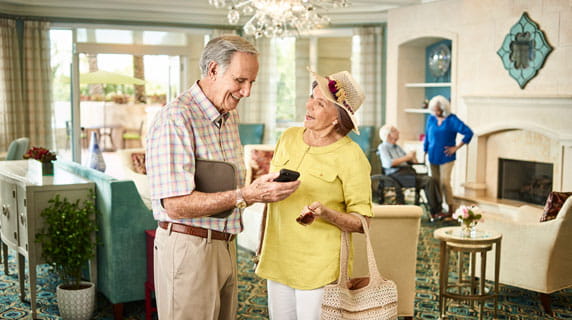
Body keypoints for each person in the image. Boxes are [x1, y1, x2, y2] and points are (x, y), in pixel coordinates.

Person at [145, 35, 300, 320]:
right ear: (213, 70)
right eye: (240, 80)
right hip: (189, 248)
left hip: (226, 245)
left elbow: (226, 190)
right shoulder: (176, 118)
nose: (247, 91)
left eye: (252, 82)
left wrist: (258, 191)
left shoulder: (229, 117)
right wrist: (246, 195)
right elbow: (175, 205)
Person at [255, 69, 373, 320]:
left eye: (320, 103)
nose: (309, 105)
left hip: (320, 266)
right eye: (311, 97)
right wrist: (260, 246)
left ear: (336, 118)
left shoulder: (352, 156)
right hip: (277, 257)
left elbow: (363, 222)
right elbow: (271, 202)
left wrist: (326, 213)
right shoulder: (287, 138)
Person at [377, 124, 445, 218]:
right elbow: (388, 164)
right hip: (395, 175)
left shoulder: (397, 147)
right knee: (429, 181)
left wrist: (412, 158)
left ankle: (437, 210)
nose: (398, 132)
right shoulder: (383, 147)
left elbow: (408, 159)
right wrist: (407, 157)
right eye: (395, 131)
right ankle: (436, 211)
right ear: (389, 135)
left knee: (431, 179)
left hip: (407, 172)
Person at [424, 95, 473, 214]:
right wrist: (424, 150)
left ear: (444, 108)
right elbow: (427, 135)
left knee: (444, 182)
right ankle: (439, 208)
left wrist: (456, 148)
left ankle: (451, 207)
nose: (435, 112)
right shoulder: (431, 119)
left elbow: (468, 133)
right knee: (435, 182)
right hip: (432, 155)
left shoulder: (452, 120)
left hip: (446, 156)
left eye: (438, 110)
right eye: (434, 110)